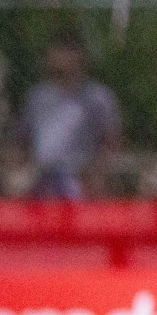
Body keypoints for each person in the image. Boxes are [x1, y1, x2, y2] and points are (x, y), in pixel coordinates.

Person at [18, 34, 122, 199]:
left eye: (67, 51)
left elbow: (111, 140)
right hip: (41, 179)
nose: (60, 58)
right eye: (57, 50)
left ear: (80, 57)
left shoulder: (96, 97)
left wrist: (98, 173)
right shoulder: (38, 96)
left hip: (79, 180)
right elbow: (23, 140)